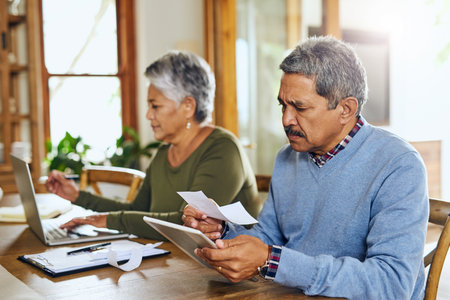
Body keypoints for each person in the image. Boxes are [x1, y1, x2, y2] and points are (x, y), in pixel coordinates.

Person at [183, 36, 429, 300]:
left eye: (300, 107)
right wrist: (221, 233)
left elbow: (391, 284)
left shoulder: (399, 165)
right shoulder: (287, 158)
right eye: (283, 105)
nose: (287, 119)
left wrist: (274, 261)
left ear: (346, 109)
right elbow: (269, 237)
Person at [46, 51, 261, 240]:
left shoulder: (223, 150)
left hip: (229, 279)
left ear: (188, 106)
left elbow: (185, 223)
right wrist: (77, 196)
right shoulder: (163, 152)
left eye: (155, 106)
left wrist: (107, 220)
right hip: (176, 266)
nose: (149, 115)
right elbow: (137, 211)